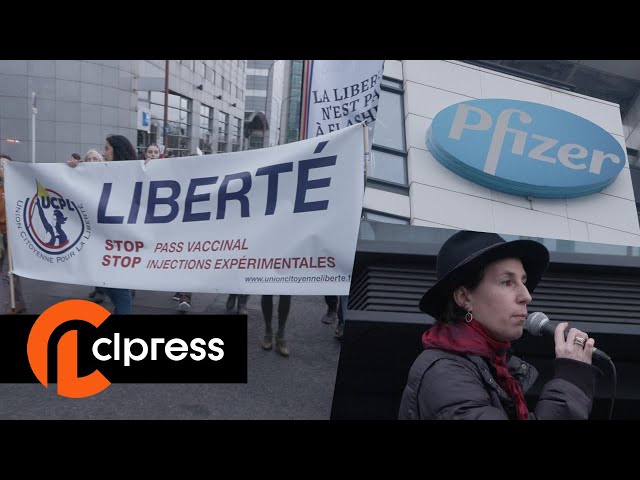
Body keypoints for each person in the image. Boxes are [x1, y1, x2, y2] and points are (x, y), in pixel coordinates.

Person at [398, 230, 599, 420]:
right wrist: (570, 381)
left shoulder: (495, 369)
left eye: (523, 282)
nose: (526, 296)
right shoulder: (445, 373)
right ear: (464, 297)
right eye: (507, 282)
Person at [143, 143, 191, 311]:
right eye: (150, 151)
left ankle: (185, 295)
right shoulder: (138, 169)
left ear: (160, 154)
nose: (153, 154)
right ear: (145, 153)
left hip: (172, 220)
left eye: (156, 152)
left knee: (181, 255)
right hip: (149, 222)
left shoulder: (171, 168)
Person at [0, 154, 26, 314]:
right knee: (11, 273)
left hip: (13, 236)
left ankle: (8, 307)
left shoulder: (18, 186)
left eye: (4, 165)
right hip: (2, 237)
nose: (1, 168)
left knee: (6, 274)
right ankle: (19, 302)